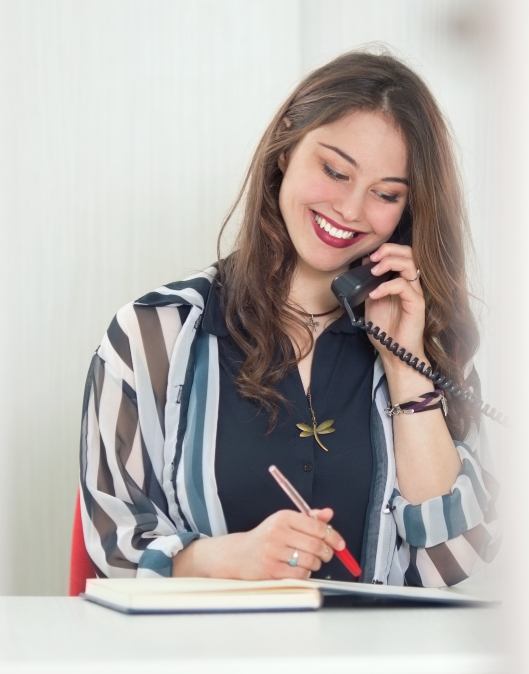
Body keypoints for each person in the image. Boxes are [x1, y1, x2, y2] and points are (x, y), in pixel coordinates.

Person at [79, 50, 499, 587]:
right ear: (285, 151)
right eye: (334, 170)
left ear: (407, 214)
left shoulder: (428, 343)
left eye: (386, 194)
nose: (350, 209)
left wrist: (406, 367)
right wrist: (224, 558)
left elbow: (454, 557)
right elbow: (114, 545)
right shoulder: (152, 334)